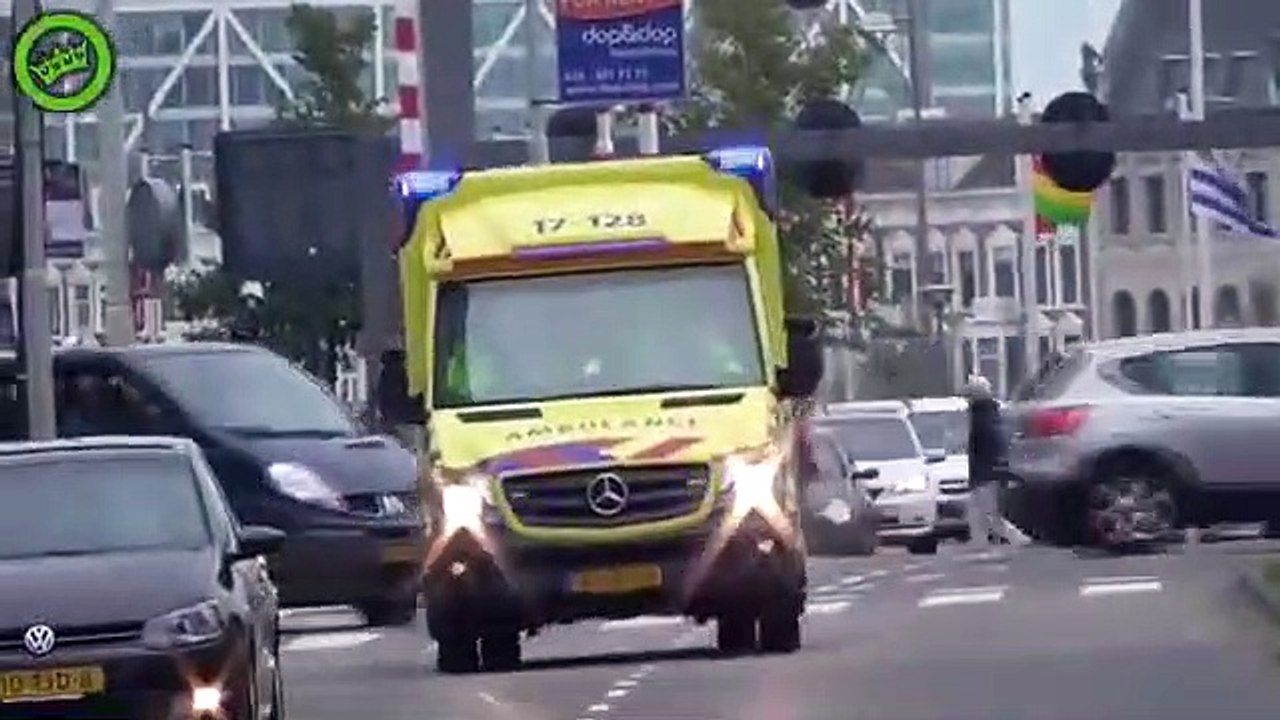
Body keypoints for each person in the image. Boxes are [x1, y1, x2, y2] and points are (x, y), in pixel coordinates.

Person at [963, 374, 1009, 551]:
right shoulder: (990, 414)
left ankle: (998, 538)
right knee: (987, 511)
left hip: (985, 472)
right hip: (989, 471)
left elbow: (984, 446)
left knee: (986, 511)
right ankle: (996, 538)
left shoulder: (981, 417)